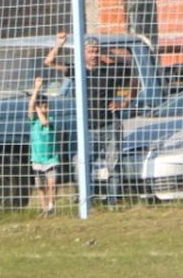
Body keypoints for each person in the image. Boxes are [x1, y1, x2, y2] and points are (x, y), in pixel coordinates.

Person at [43, 33, 132, 205]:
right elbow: (49, 62)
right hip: (87, 127)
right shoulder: (78, 70)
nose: (94, 55)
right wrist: (60, 44)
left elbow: (133, 74)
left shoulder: (111, 70)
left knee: (113, 164)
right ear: (84, 53)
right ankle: (86, 200)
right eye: (90, 51)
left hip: (109, 125)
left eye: (96, 51)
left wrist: (125, 101)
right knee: (81, 163)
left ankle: (113, 202)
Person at [27, 76, 58, 215]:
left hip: (51, 158)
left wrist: (39, 109)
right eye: (43, 106)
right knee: (40, 186)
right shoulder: (33, 121)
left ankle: (52, 205)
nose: (45, 109)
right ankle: (44, 208)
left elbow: (45, 122)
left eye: (47, 106)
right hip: (37, 158)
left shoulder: (51, 119)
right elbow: (31, 105)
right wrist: (36, 89)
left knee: (52, 183)